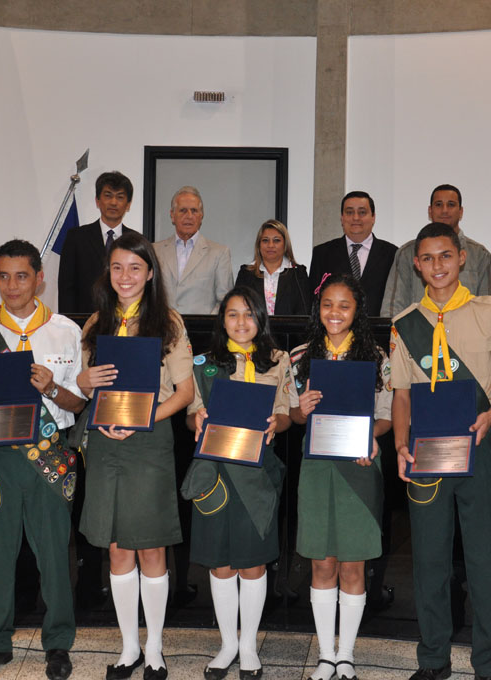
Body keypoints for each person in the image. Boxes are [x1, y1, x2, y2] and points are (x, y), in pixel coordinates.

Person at [390, 222, 491, 680]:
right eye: (427, 259)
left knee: (485, 560)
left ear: (461, 257)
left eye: (445, 256)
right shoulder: (405, 322)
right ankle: (433, 660)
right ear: (416, 264)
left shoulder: (488, 312)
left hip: (479, 444)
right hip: (427, 449)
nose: (437, 266)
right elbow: (402, 394)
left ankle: (489, 664)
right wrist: (401, 444)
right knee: (429, 560)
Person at [0, 240, 85, 680]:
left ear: (39, 278)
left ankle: (58, 644)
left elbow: (78, 401)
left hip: (50, 455)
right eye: (4, 276)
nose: (12, 286)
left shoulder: (66, 331)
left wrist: (50, 387)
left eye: (22, 276)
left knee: (54, 555)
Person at [76, 231, 196, 680]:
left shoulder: (168, 323)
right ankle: (128, 648)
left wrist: (142, 419)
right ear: (107, 273)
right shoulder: (95, 324)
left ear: (149, 273)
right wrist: (85, 382)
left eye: (134, 268)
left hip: (148, 442)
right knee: (116, 546)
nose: (124, 276)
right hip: (105, 442)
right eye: (117, 267)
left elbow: (184, 393)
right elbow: (79, 389)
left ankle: (156, 648)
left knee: (151, 547)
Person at [181, 286, 292, 680]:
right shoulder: (203, 363)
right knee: (222, 564)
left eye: (249, 314)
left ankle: (249, 647)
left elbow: (287, 412)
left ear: (260, 318)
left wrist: (276, 422)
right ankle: (228, 644)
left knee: (253, 564)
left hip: (257, 472)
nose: (241, 322)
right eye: (232, 314)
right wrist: (195, 418)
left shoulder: (278, 361)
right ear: (221, 319)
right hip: (216, 474)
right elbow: (193, 409)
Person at [288, 274, 394, 680]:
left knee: (352, 565)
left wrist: (371, 436)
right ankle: (324, 655)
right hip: (316, 468)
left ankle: (345, 654)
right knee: (321, 563)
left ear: (357, 311)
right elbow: (292, 416)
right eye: (328, 304)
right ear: (319, 309)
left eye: (344, 305)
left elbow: (385, 417)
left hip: (359, 467)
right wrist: (302, 408)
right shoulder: (299, 357)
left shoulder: (376, 358)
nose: (335, 312)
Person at [381, 184, 491, 318]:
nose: (445, 210)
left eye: (451, 204)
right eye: (438, 204)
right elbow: (392, 308)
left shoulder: (480, 255)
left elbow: (489, 308)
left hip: (466, 335)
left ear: (461, 211)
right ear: (430, 211)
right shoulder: (407, 253)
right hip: (419, 335)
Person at [58, 171, 138, 314]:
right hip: (85, 320)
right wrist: (70, 323)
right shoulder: (76, 237)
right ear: (97, 200)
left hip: (126, 321)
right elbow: (66, 288)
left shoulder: (136, 240)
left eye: (120, 197)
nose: (113, 202)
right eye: (108, 196)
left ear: (128, 204)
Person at [308, 191, 397, 317]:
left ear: (373, 217)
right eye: (349, 212)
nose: (356, 218)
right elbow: (314, 301)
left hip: (378, 332)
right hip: (335, 330)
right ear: (342, 218)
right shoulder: (322, 253)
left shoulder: (392, 254)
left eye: (362, 212)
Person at [153, 186, 233, 314]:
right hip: (162, 329)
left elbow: (225, 300)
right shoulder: (154, 251)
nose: (189, 216)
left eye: (194, 211)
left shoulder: (219, 253)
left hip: (203, 330)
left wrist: (206, 325)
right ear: (172, 215)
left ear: (201, 216)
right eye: (183, 210)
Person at [234, 219, 311, 315]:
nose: (270, 245)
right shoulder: (246, 273)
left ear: (285, 245)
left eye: (276, 240)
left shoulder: (298, 274)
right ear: (259, 245)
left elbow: (305, 312)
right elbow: (238, 308)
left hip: (289, 330)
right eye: (265, 240)